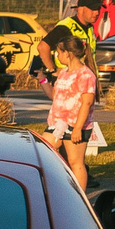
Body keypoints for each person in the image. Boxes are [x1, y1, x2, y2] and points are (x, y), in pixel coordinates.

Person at [39, 26, 96, 192]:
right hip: (57, 124)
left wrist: (78, 128)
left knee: (75, 161)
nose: (57, 56)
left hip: (75, 125)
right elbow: (54, 95)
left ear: (68, 53)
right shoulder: (63, 73)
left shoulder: (85, 75)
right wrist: (43, 81)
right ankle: (61, 189)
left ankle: (81, 199)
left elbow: (86, 103)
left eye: (58, 52)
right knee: (45, 150)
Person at [37, 0, 105, 80]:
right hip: (68, 81)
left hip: (84, 79)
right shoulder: (66, 27)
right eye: (93, 9)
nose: (97, 12)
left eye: (98, 9)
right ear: (80, 9)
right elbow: (42, 47)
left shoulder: (89, 28)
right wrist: (53, 70)